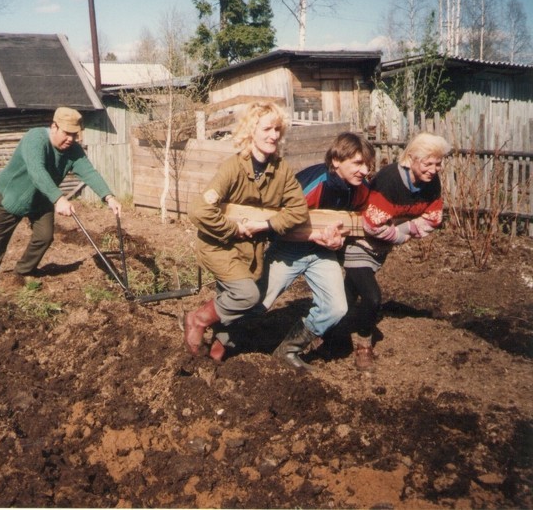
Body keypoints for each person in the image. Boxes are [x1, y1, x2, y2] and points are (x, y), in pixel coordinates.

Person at [184, 101, 309, 362]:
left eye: (277, 129)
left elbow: (298, 211)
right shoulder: (232, 167)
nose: (274, 135)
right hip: (218, 246)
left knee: (237, 302)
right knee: (247, 295)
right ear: (251, 131)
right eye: (267, 129)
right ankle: (197, 319)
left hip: (251, 252)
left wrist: (265, 225)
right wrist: (233, 228)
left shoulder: (281, 170)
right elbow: (198, 210)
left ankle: (216, 353)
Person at [262, 132, 375, 372]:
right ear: (336, 161)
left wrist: (338, 240)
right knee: (257, 301)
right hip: (289, 247)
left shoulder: (361, 189)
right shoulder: (314, 183)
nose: (364, 171)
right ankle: (210, 326)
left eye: (367, 164)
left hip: (322, 253)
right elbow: (274, 227)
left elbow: (355, 223)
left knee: (336, 307)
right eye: (357, 163)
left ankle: (288, 350)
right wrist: (316, 236)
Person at [342, 132, 450, 370]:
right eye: (427, 163)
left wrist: (407, 227)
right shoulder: (390, 179)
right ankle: (363, 346)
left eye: (438, 163)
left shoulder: (431, 183)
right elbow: (372, 224)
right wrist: (400, 235)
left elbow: (433, 218)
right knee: (372, 297)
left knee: (347, 295)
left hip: (381, 248)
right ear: (411, 159)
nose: (433, 169)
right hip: (359, 243)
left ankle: (331, 331)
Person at [0, 107, 122, 282]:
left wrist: (109, 197)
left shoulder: (73, 150)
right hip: (12, 194)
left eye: (75, 135)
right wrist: (59, 198)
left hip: (42, 197)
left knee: (45, 236)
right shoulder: (35, 139)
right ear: (54, 127)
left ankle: (23, 272)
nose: (70, 139)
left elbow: (89, 172)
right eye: (67, 133)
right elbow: (37, 171)